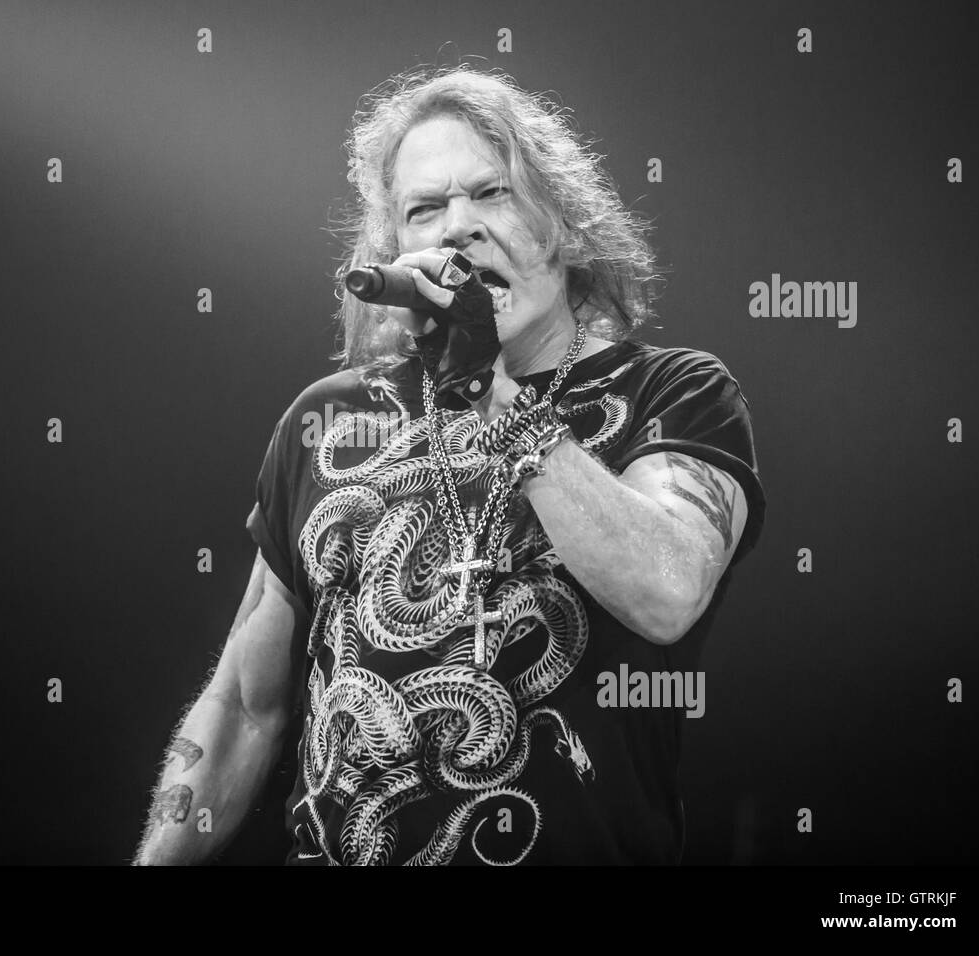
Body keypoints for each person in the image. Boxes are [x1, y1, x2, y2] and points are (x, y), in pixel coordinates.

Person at [134, 64, 766, 866]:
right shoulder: (328, 420)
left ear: (564, 222)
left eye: (490, 193)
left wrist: (492, 398)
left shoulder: (672, 391)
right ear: (395, 249)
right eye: (424, 209)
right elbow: (242, 708)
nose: (455, 227)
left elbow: (667, 590)